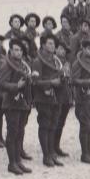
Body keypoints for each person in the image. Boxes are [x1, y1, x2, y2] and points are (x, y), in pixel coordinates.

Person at [0, 38, 34, 175]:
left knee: (20, 131)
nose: (18, 53)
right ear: (11, 51)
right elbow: (2, 84)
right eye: (15, 50)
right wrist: (16, 86)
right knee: (12, 132)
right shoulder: (6, 65)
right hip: (11, 103)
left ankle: (18, 161)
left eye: (20, 50)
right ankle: (12, 163)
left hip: (22, 102)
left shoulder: (23, 64)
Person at [31, 33, 66, 168]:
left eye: (53, 44)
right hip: (43, 98)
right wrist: (51, 82)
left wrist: (63, 78)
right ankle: (46, 155)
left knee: (53, 125)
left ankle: (52, 153)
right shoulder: (37, 61)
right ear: (43, 45)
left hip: (56, 97)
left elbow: (60, 74)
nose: (52, 46)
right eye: (49, 43)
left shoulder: (56, 60)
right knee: (45, 126)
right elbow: (35, 81)